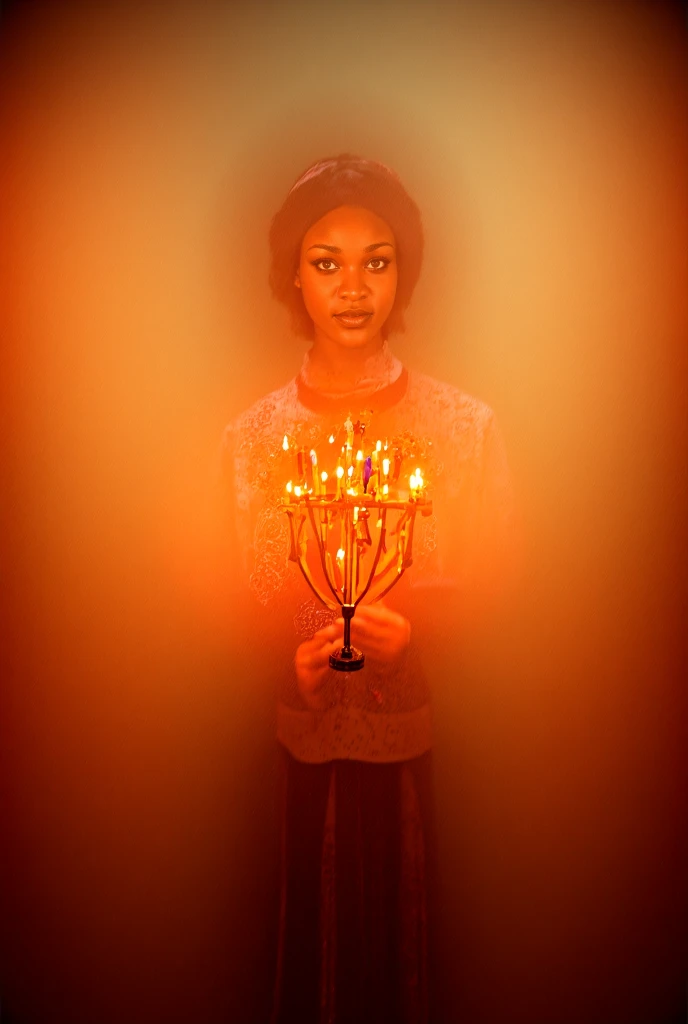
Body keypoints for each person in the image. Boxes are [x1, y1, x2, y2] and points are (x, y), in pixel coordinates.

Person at [220, 154, 516, 1024]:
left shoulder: (465, 433)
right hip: (291, 776)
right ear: (294, 278)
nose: (353, 288)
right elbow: (237, 600)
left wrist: (420, 639)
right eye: (327, 262)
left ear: (404, 273)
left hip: (435, 773)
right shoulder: (251, 441)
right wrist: (291, 667)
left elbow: (507, 601)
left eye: (376, 261)